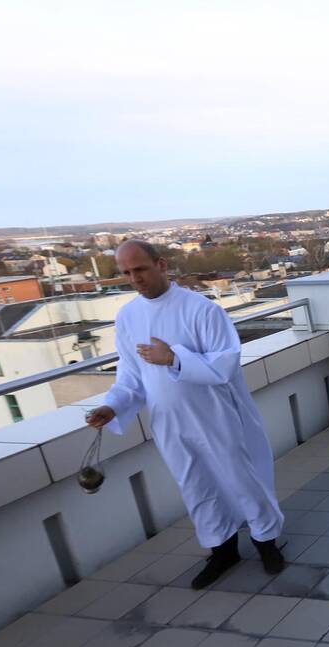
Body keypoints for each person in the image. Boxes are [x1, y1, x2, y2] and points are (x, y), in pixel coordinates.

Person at [86, 240, 286, 590]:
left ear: (161, 265)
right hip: (169, 422)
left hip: (216, 417)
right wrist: (113, 406)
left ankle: (266, 542)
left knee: (242, 481)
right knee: (196, 486)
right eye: (126, 273)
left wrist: (174, 359)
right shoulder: (128, 317)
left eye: (141, 269)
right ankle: (222, 551)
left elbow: (226, 363)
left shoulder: (201, 309)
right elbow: (131, 377)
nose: (135, 278)